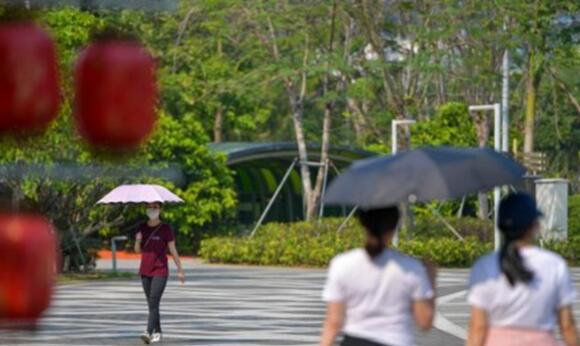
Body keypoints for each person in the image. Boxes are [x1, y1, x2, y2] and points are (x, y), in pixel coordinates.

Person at [467, 192, 578, 346]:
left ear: (500, 225)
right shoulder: (555, 264)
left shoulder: (484, 266)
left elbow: (478, 327)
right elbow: (567, 325)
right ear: (534, 225)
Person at [320, 206, 436, 346]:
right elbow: (424, 322)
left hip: (354, 341)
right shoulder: (411, 268)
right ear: (394, 226)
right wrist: (431, 278)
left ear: (362, 223)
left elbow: (333, 322)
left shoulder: (341, 264)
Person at [134, 202, 185, 345]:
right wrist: (138, 240)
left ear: (160, 209)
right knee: (152, 304)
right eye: (149, 207)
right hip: (145, 270)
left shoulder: (166, 229)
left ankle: (148, 332)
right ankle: (158, 332)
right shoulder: (142, 227)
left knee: (153, 301)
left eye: (155, 207)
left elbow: (173, 250)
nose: (152, 210)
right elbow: (138, 251)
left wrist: (180, 270)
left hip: (160, 270)